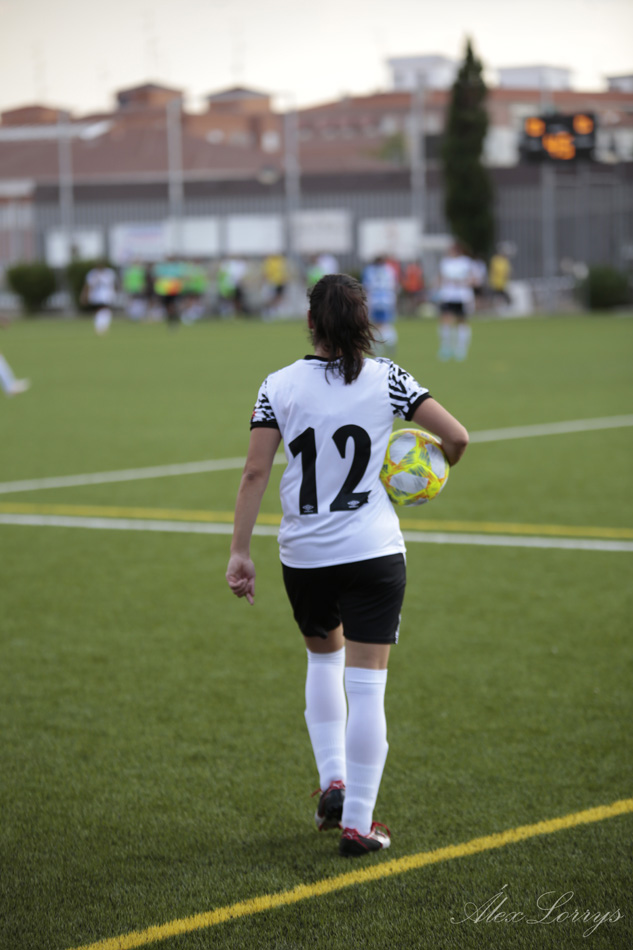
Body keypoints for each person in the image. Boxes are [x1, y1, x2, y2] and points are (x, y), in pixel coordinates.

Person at [226, 273, 468, 858]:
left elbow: (256, 472)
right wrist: (430, 468)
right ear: (365, 322)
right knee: (367, 687)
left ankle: (332, 780)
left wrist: (240, 552)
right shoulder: (389, 378)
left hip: (305, 554)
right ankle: (358, 825)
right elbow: (458, 438)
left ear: (311, 322)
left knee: (322, 659)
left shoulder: (277, 385)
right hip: (373, 552)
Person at [436, 242, 475, 361]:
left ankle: (461, 349)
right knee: (445, 321)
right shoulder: (445, 262)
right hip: (448, 296)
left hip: (462, 296)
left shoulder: (466, 262)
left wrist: (462, 282)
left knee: (461, 321)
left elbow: (473, 278)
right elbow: (440, 278)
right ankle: (446, 347)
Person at [362, 256, 398, 355]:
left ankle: (379, 345)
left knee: (375, 324)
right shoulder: (389, 270)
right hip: (387, 299)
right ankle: (390, 341)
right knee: (385, 323)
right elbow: (394, 285)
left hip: (374, 299)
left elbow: (366, 286)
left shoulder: (369, 270)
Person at [80, 261, 117, 335]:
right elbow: (88, 285)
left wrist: (114, 293)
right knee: (100, 310)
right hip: (96, 296)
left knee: (105, 309)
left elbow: (114, 284)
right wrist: (84, 295)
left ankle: (103, 326)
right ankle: (100, 326)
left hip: (107, 295)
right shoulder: (92, 273)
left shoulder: (109, 273)